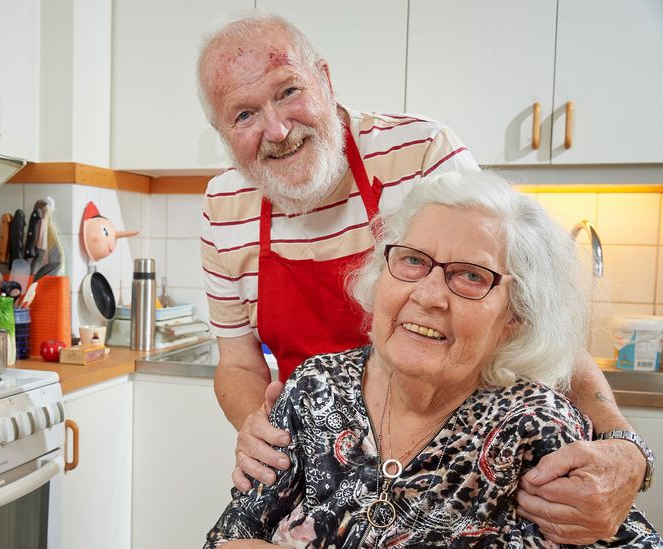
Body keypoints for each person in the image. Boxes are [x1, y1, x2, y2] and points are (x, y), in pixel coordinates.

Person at [197, 14, 653, 544]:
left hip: (449, 422)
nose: (276, 130)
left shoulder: (421, 152)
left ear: (324, 78)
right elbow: (236, 363)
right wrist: (265, 436)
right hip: (316, 449)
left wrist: (625, 448)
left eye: (289, 91)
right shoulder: (222, 205)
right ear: (222, 133)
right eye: (244, 113)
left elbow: (517, 296)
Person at [203, 170, 661, 548]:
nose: (428, 295)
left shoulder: (537, 430)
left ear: (514, 318)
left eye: (469, 276)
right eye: (413, 261)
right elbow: (229, 535)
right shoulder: (314, 388)